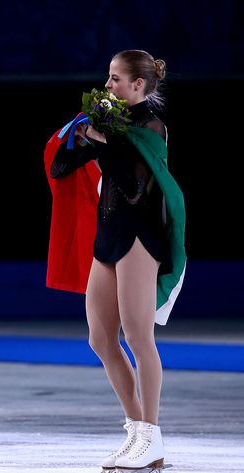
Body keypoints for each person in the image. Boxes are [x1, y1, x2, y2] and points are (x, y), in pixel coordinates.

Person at [49, 50, 184, 471]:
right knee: (100, 338)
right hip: (108, 235)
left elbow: (136, 180)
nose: (107, 86)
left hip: (141, 236)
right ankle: (135, 426)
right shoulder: (112, 125)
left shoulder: (151, 126)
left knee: (139, 338)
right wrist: (75, 136)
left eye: (114, 79)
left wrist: (102, 135)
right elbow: (61, 166)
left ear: (138, 85)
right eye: (108, 79)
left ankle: (152, 436)